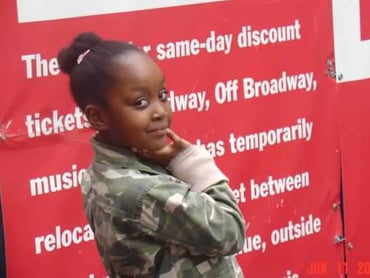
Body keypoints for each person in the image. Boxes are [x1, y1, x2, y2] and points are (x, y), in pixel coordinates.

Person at [57, 32, 246, 278]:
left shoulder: (100, 172)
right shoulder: (145, 190)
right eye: (140, 103)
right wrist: (192, 161)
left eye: (163, 96)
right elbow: (231, 231)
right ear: (98, 117)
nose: (160, 112)